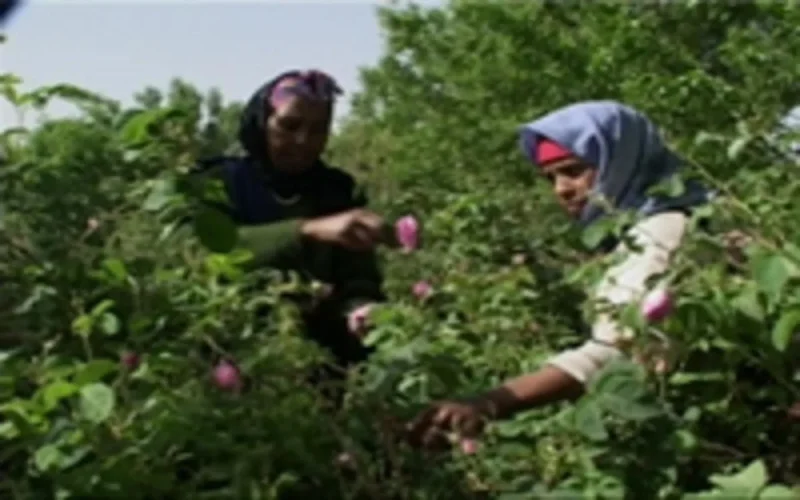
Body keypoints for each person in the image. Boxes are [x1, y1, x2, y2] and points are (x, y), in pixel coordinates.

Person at [406, 100, 714, 448]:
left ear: (621, 160)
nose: (561, 189)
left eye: (574, 170)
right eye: (551, 177)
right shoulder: (633, 235)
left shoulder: (662, 234)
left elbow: (621, 351)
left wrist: (491, 403)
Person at [193, 70, 390, 381]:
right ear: (261, 123)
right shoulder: (218, 183)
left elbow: (358, 276)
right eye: (289, 126)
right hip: (236, 360)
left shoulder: (336, 190)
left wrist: (361, 307)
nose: (303, 141)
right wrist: (305, 231)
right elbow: (206, 254)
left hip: (323, 369)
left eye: (318, 130)